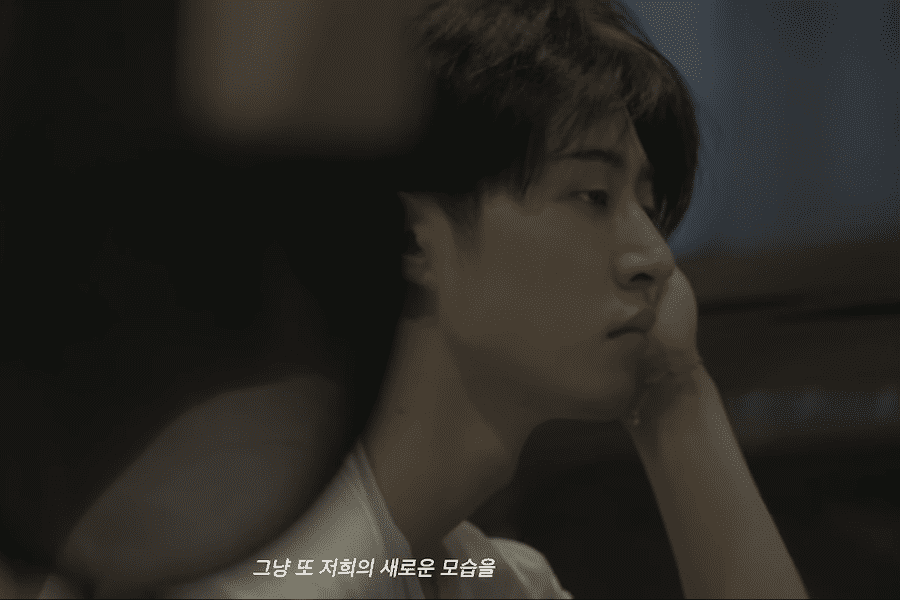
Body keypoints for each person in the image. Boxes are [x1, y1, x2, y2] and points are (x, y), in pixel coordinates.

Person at [46, 0, 811, 597]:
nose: (656, 259)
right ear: (411, 240)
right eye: (592, 195)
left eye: (648, 207)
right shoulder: (248, 575)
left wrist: (678, 394)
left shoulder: (497, 582)